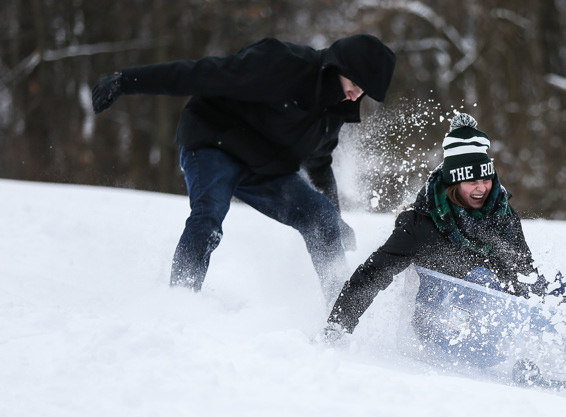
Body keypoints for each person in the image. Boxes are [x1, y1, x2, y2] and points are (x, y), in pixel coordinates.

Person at [91, 34, 396, 303]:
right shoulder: (283, 64)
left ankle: (340, 311)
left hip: (264, 168)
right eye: (354, 84)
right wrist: (126, 81)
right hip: (214, 143)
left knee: (322, 218)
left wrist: (336, 221)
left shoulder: (333, 113)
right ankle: (179, 303)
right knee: (208, 217)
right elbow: (203, 74)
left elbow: (319, 164)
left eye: (363, 90)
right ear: (336, 67)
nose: (356, 94)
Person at [320, 113, 557, 367]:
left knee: (552, 286)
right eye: (471, 181)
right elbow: (374, 273)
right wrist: (338, 325)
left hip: (492, 324)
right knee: (481, 277)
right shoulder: (422, 224)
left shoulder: (502, 216)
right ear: (453, 183)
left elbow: (523, 271)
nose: (481, 189)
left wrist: (550, 314)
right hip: (439, 328)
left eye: (486, 179)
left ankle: (550, 361)